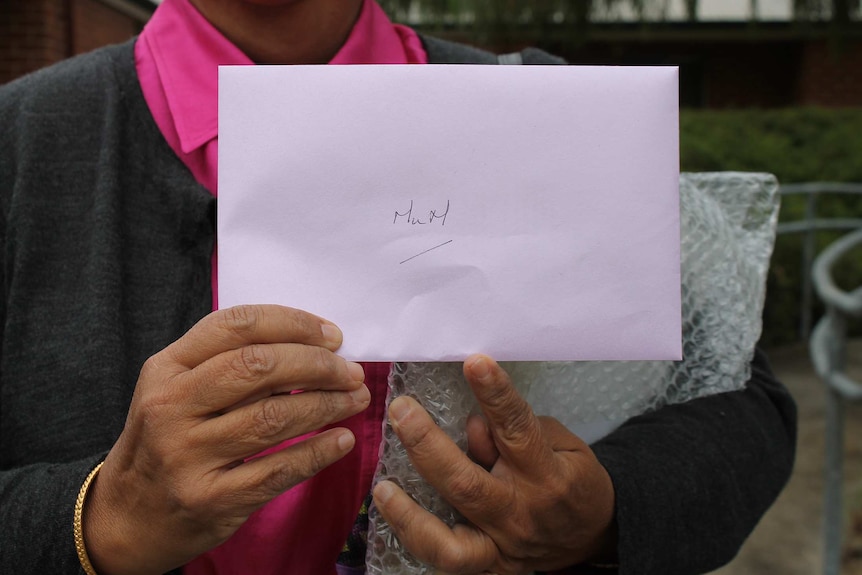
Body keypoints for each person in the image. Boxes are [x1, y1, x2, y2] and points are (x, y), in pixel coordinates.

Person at [0, 0, 797, 573]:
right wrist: (96, 519)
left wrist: (604, 508)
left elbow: (743, 400)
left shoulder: (545, 106)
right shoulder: (20, 144)